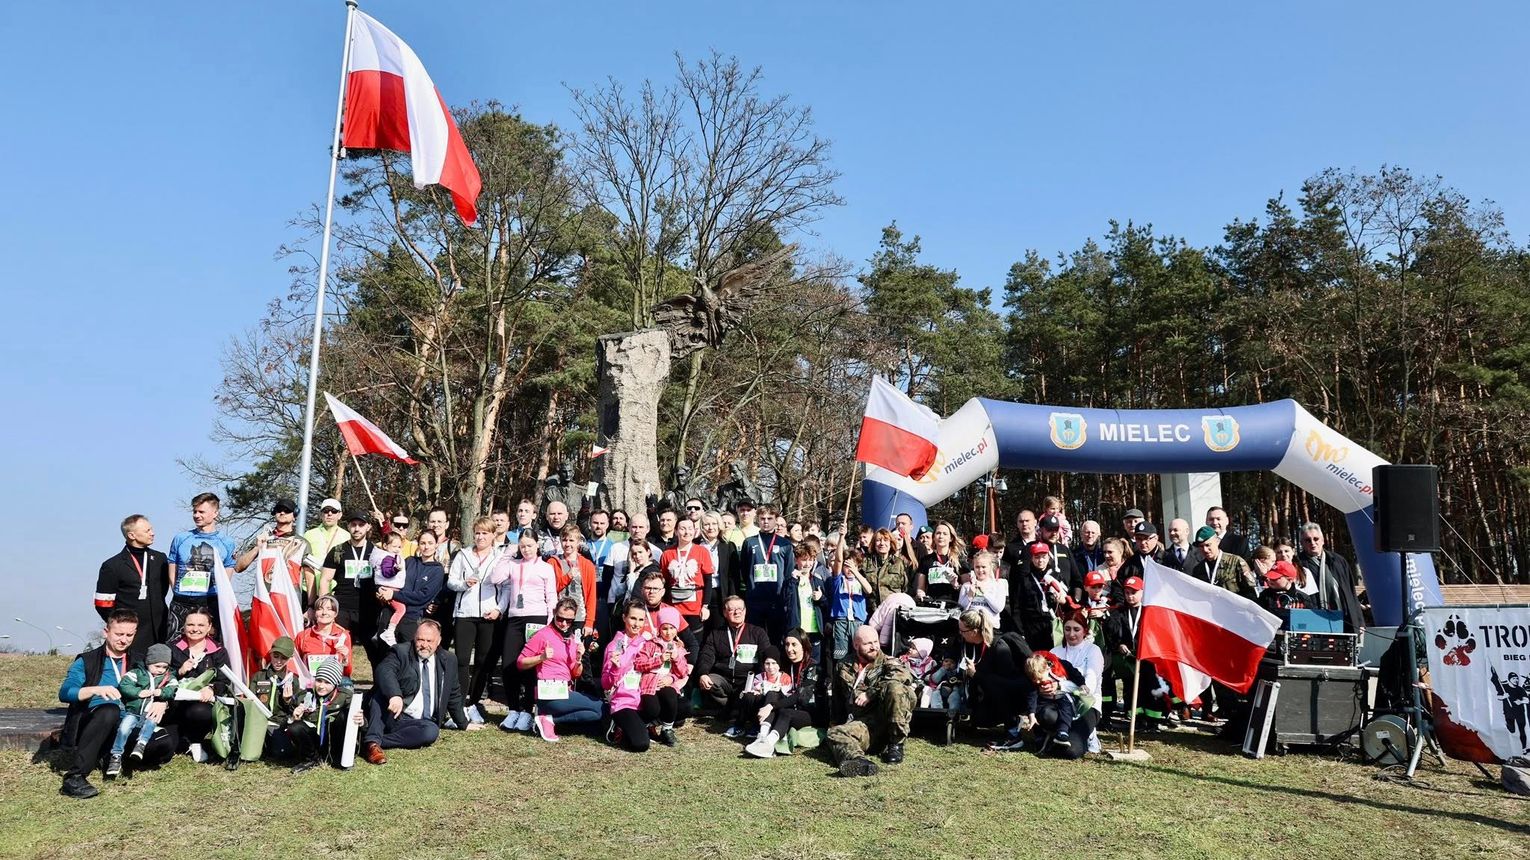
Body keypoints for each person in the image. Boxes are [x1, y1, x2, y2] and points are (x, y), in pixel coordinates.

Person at [58, 610, 175, 798]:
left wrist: (163, 702)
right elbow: (65, 693)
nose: (124, 640)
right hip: (96, 720)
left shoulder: (139, 662)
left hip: (129, 721)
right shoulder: (86, 661)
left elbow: (164, 683)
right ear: (106, 631)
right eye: (119, 634)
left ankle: (111, 757)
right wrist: (95, 689)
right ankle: (75, 777)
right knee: (110, 710)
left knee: (164, 744)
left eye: (130, 635)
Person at [361, 620, 480, 764]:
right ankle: (373, 743)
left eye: (429, 640)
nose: (424, 645)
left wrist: (463, 724)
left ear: (439, 641)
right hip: (395, 714)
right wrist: (395, 694)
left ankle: (372, 741)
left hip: (420, 723)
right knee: (380, 695)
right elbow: (384, 670)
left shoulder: (449, 660)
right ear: (414, 638)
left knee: (431, 732)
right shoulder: (400, 651)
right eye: (420, 639)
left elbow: (453, 693)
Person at [827, 626, 918, 777]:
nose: (874, 647)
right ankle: (860, 762)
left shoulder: (889, 662)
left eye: (876, 642)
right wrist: (836, 721)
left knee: (895, 688)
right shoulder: (843, 665)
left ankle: (896, 744)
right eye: (868, 643)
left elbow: (902, 676)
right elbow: (837, 698)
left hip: (886, 721)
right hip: (864, 725)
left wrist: (871, 693)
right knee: (833, 733)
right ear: (856, 645)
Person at [446, 516, 508, 724]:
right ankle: (459, 704)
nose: (481, 537)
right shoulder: (463, 555)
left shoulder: (500, 557)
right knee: (462, 660)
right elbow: (452, 582)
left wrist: (499, 609)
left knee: (483, 662)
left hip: (488, 615)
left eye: (485, 533)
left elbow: (506, 587)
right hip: (465, 614)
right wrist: (464, 584)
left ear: (493, 535)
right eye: (478, 533)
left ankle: (473, 703)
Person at [518, 597, 603, 742]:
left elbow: (575, 674)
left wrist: (578, 660)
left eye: (568, 621)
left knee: (597, 712)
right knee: (601, 707)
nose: (563, 623)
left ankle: (549, 719)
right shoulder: (542, 635)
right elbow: (520, 662)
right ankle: (547, 718)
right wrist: (541, 658)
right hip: (548, 691)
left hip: (565, 690)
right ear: (554, 613)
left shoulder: (571, 639)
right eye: (560, 618)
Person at [498, 531, 559, 733]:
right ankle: (513, 709)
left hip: (537, 618)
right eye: (522, 546)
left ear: (537, 545)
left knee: (532, 665)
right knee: (509, 663)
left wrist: (550, 624)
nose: (526, 550)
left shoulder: (546, 567)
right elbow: (495, 578)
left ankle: (527, 710)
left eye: (530, 546)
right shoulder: (513, 565)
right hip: (515, 617)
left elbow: (551, 597)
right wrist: (508, 553)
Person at [95, 514, 169, 657]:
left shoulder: (160, 559)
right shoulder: (112, 566)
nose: (152, 533)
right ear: (132, 535)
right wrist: (122, 627)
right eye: (147, 531)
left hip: (160, 631)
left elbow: (164, 590)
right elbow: (103, 604)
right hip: (132, 635)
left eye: (151, 529)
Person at [165, 492, 238, 637]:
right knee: (175, 646)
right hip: (182, 601)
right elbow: (172, 563)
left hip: (210, 601)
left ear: (215, 513)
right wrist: (176, 589)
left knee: (211, 646)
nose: (197, 515)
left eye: (201, 512)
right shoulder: (181, 538)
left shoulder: (226, 542)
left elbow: (228, 568)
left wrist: (220, 591)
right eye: (194, 511)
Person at [956, 609, 1032, 743]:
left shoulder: (999, 647)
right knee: (979, 719)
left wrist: (976, 675)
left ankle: (1013, 728)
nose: (960, 634)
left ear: (974, 632)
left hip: (1012, 693)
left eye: (963, 631)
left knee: (991, 707)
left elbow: (1006, 684)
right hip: (992, 692)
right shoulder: (974, 644)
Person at [602, 602, 669, 752]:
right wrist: (614, 667)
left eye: (641, 620)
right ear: (624, 618)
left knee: (681, 707)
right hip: (624, 702)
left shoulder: (647, 643)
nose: (637, 624)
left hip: (645, 697)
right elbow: (606, 684)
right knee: (641, 744)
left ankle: (642, 724)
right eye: (633, 618)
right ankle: (619, 726)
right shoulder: (615, 646)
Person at [745, 628, 823, 758]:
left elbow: (800, 697)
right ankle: (762, 737)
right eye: (787, 644)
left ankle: (769, 745)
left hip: (808, 712)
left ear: (803, 646)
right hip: (789, 705)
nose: (789, 648)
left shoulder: (813, 667)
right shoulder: (787, 665)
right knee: (772, 693)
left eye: (794, 644)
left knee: (784, 712)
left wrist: (772, 706)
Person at [105, 642, 179, 779]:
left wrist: (161, 693)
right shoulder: (136, 673)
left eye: (164, 667)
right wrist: (138, 693)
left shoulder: (168, 677)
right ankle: (116, 755)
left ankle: (141, 744)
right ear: (148, 662)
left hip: (150, 712)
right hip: (134, 711)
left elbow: (173, 689)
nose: (161, 670)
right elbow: (124, 685)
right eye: (157, 666)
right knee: (123, 728)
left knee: (151, 722)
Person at [695, 595, 773, 720]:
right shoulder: (716, 633)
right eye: (732, 610)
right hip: (724, 680)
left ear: (745, 611)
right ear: (725, 613)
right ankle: (728, 707)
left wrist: (759, 679)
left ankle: (735, 709)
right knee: (709, 680)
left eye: (740, 609)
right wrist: (703, 673)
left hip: (747, 681)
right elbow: (706, 655)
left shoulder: (758, 633)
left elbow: (766, 657)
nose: (737, 612)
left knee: (750, 693)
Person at [166, 608, 227, 762]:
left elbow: (224, 680)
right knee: (167, 749)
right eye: (190, 624)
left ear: (209, 627)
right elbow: (160, 676)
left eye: (200, 625)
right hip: (175, 705)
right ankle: (182, 739)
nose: (195, 629)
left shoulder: (218, 651)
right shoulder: (171, 648)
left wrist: (212, 688)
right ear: (184, 626)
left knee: (200, 712)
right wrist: (179, 671)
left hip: (201, 704)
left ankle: (196, 741)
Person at [1103, 575, 1163, 728]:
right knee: (1130, 687)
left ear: (1142, 592)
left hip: (1147, 658)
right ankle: (1135, 719)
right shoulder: (1120, 611)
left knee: (1150, 686)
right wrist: (1119, 645)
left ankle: (1153, 721)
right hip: (1129, 658)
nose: (1130, 596)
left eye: (1134, 592)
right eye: (1127, 592)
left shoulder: (1150, 611)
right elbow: (1112, 632)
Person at [279, 656, 354, 773]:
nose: (321, 686)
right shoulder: (303, 696)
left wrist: (360, 720)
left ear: (336, 683)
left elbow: (362, 725)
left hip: (333, 740)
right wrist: (293, 718)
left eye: (327, 682)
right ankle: (310, 759)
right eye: (319, 680)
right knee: (295, 727)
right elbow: (284, 725)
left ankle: (337, 756)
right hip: (312, 740)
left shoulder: (346, 697)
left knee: (344, 716)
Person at [317, 511, 380, 646]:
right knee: (339, 649)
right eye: (353, 524)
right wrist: (325, 608)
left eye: (361, 525)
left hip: (368, 609)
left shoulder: (376, 551)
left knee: (374, 652)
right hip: (342, 609)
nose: (357, 528)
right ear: (348, 526)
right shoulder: (338, 551)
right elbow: (325, 580)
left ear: (368, 527)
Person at [382, 529, 446, 652]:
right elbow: (391, 578)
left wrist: (394, 594)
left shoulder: (437, 570)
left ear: (436, 545)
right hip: (391, 613)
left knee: (408, 659)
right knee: (385, 657)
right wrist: (382, 590)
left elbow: (422, 596)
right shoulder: (409, 561)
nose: (426, 547)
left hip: (411, 619)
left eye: (430, 543)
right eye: (422, 543)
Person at [1051, 613, 1105, 754]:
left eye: (1076, 629)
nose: (1071, 634)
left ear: (1085, 631)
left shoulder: (1093, 651)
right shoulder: (1055, 652)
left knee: (1071, 751)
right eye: (1067, 629)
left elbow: (1088, 688)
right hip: (1060, 704)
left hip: (1087, 705)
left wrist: (1061, 685)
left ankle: (1090, 735)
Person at [739, 505, 795, 639]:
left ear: (776, 520)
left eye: (770, 518)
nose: (765, 522)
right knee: (755, 635)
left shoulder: (785, 544)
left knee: (775, 637)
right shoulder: (749, 542)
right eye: (762, 518)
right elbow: (745, 569)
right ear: (757, 519)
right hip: (754, 599)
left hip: (776, 599)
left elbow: (788, 573)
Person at [1296, 523, 1366, 630]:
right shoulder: (1298, 564)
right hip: (1313, 620)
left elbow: (1351, 592)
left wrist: (1360, 621)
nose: (1313, 543)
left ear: (1323, 540)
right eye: (1308, 540)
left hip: (1345, 619)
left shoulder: (1338, 561)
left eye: (1316, 539)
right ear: (1302, 543)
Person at [660, 518, 714, 643]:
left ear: (695, 531)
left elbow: (708, 581)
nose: (686, 532)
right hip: (674, 606)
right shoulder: (667, 554)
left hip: (695, 607)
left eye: (690, 529)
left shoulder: (702, 551)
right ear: (676, 531)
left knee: (695, 643)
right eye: (682, 529)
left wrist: (705, 606)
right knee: (675, 642)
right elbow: (664, 582)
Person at [1013, 541, 1069, 651]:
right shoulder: (1025, 580)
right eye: (1037, 557)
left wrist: (1060, 599)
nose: (1040, 560)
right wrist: (1021, 632)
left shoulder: (1056, 576)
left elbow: (1066, 600)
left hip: (1053, 624)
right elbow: (1017, 607)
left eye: (1043, 557)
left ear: (1048, 557)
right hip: (1032, 627)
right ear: (1032, 558)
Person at [823, 550, 871, 668]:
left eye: (853, 566)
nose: (849, 569)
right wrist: (841, 537)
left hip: (858, 622)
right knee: (841, 654)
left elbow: (869, 590)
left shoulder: (860, 581)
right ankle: (840, 677)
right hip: (841, 622)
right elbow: (838, 561)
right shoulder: (838, 580)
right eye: (847, 566)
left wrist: (856, 571)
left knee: (859, 652)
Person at [783, 535, 827, 663]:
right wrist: (792, 581)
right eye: (804, 560)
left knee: (814, 665)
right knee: (798, 663)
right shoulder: (790, 581)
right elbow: (785, 602)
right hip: (798, 629)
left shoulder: (817, 580)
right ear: (797, 560)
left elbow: (826, 605)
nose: (807, 564)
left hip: (815, 630)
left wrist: (821, 598)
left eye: (811, 560)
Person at [734, 646, 792, 739]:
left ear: (779, 664)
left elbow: (786, 696)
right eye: (767, 663)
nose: (771, 667)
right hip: (759, 709)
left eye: (774, 663)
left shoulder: (785, 678)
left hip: (775, 708)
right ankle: (741, 726)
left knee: (772, 694)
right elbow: (754, 691)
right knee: (749, 696)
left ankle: (762, 729)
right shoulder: (759, 677)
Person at [553, 524, 599, 637]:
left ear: (578, 542)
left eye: (571, 540)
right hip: (559, 616)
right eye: (564, 540)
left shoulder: (587, 565)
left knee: (578, 651)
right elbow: (552, 589)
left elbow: (591, 595)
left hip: (579, 616)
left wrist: (589, 622)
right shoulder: (553, 562)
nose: (567, 544)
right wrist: (568, 576)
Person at [294, 594, 354, 678]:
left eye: (329, 609)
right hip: (309, 683)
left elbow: (347, 672)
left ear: (335, 614)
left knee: (347, 686)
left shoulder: (343, 636)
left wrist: (345, 659)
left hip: (335, 682)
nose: (324, 613)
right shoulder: (303, 636)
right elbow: (294, 664)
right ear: (315, 613)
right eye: (320, 609)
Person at [1188, 526, 1257, 599]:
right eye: (1201, 546)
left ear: (1217, 541)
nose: (1205, 549)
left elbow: (1251, 592)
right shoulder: (1199, 569)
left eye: (1208, 545)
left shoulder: (1235, 562)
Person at [698, 511, 738, 630]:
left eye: (714, 523)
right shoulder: (695, 545)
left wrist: (732, 598)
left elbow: (732, 576)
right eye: (706, 524)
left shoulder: (728, 546)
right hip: (700, 593)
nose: (711, 528)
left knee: (718, 629)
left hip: (720, 594)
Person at [302, 498, 347, 595]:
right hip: (310, 590)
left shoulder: (347, 536)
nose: (329, 514)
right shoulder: (309, 534)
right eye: (326, 511)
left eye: (334, 511)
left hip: (336, 590)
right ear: (321, 514)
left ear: (340, 515)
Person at [915, 520, 967, 604]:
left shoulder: (959, 560)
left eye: (945, 534)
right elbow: (920, 588)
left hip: (953, 605)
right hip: (932, 606)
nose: (941, 536)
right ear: (934, 537)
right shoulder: (926, 560)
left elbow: (968, 589)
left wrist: (956, 585)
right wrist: (920, 594)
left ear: (951, 538)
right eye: (938, 533)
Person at [957, 550, 1008, 629]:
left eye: (983, 567)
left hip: (991, 628)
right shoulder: (966, 586)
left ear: (991, 567)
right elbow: (961, 609)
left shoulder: (998, 585)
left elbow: (998, 608)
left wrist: (985, 593)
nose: (980, 570)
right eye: (977, 567)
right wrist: (969, 596)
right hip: (971, 628)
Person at [864, 528, 910, 614]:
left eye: (886, 540)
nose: (882, 543)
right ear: (874, 544)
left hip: (893, 610)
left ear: (891, 543)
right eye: (878, 540)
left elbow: (905, 588)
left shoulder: (898, 563)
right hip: (870, 611)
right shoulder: (866, 562)